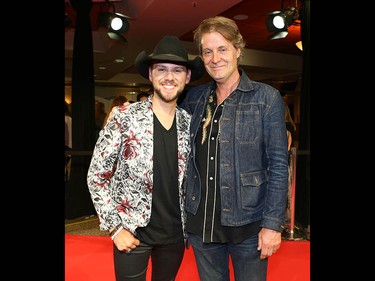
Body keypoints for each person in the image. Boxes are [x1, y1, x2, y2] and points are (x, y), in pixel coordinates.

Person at [180, 16, 289, 281]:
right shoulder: (194, 98)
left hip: (249, 225)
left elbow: (277, 165)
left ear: (238, 51)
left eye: (222, 49)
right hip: (202, 224)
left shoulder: (266, 98)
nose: (215, 58)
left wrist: (272, 224)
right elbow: (163, 116)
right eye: (207, 51)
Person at [87, 35, 204, 281]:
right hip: (132, 233)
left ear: (187, 77)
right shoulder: (124, 117)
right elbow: (97, 175)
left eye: (177, 70)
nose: (169, 77)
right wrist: (115, 227)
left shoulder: (190, 124)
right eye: (161, 69)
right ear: (150, 74)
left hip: (174, 237)